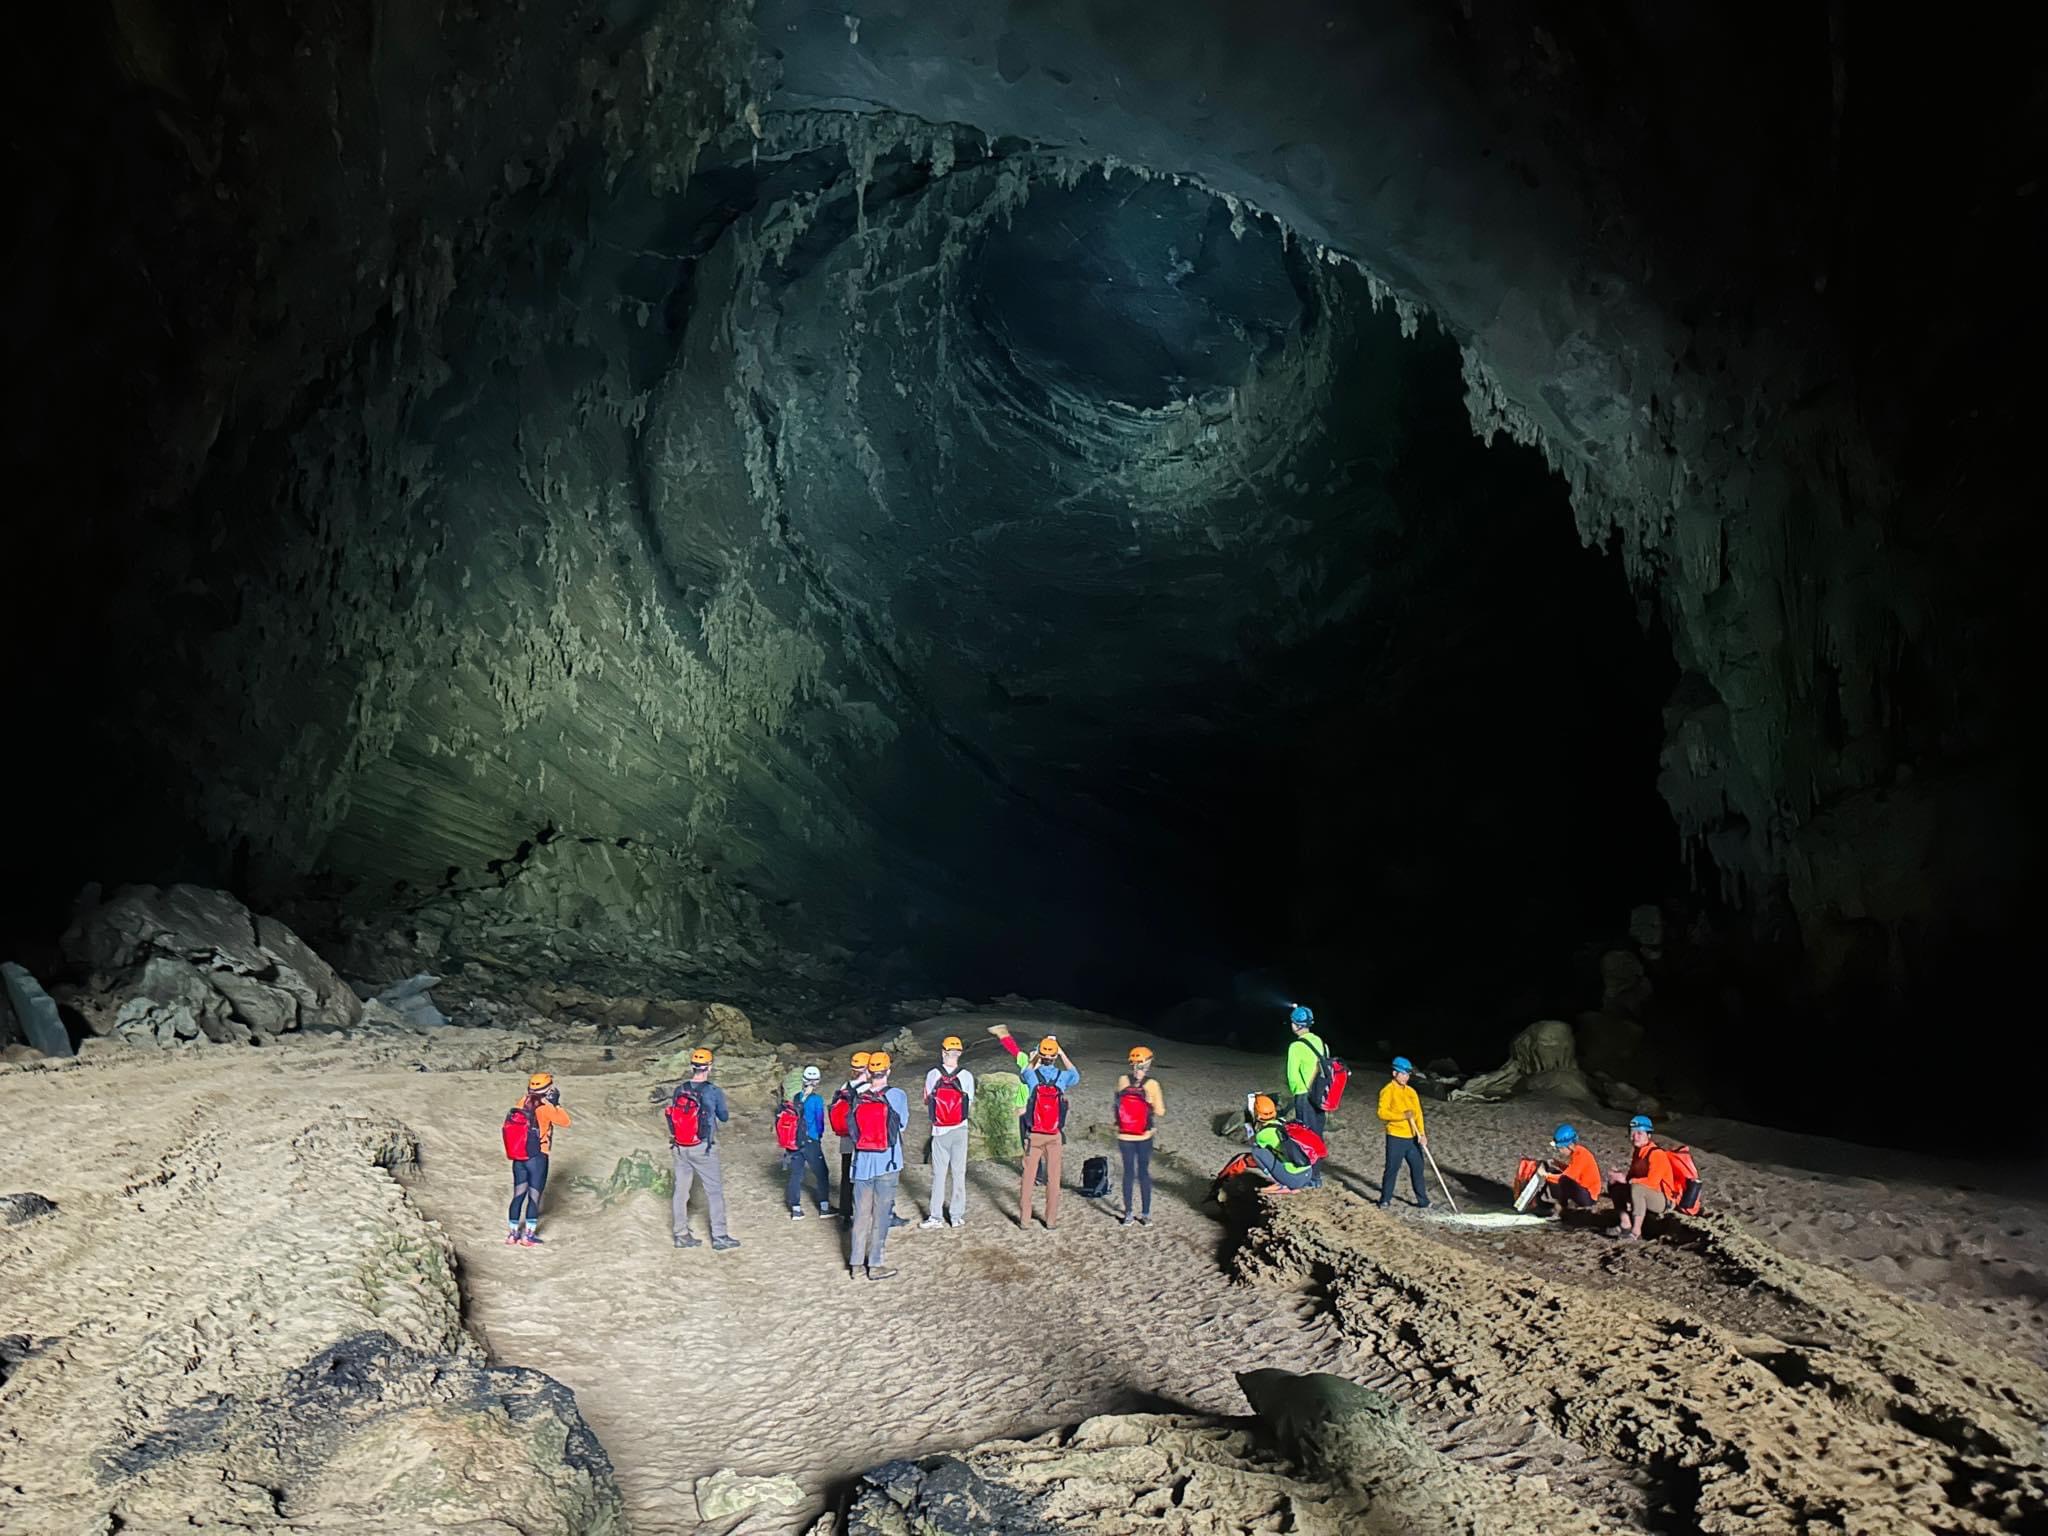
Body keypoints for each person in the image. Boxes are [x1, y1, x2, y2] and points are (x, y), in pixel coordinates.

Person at [988, 1024, 1079, 1229]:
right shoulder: (1061, 1078)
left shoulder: (1029, 1073)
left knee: (1027, 1175)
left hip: (1033, 1128)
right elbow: (1075, 1075)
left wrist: (1033, 1056)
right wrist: (1060, 1052)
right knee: (1054, 1178)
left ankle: (1025, 1219)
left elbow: (1020, 1062)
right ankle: (1051, 1220)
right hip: (1052, 1131)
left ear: (1038, 1054)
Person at [668, 1047, 740, 1252]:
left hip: (680, 1147)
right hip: (702, 1148)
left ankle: (680, 1234)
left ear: (692, 1066)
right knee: (714, 1192)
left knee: (680, 1192)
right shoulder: (712, 1091)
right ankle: (719, 1236)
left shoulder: (679, 1089)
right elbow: (724, 1117)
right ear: (710, 1066)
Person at [847, 1051, 911, 1280]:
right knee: (881, 1215)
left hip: (862, 1164)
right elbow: (901, 1125)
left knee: (861, 1214)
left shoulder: (857, 1096)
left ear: (869, 1072)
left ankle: (855, 1264)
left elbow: (852, 1129)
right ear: (888, 1071)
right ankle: (874, 1264)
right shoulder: (897, 1095)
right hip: (888, 1162)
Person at [506, 1071, 572, 1247]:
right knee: (534, 1196)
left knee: (518, 1195)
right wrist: (555, 1103)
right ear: (548, 1089)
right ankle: (528, 1236)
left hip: (519, 1156)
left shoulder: (521, 1102)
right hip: (537, 1157)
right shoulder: (545, 1108)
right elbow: (566, 1121)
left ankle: (512, 1235)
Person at [922, 1036, 975, 1228]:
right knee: (959, 1173)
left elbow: (927, 1100)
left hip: (939, 1131)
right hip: (960, 1129)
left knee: (939, 1174)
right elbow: (970, 1102)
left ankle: (936, 1217)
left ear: (943, 1052)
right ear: (959, 1053)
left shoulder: (932, 1075)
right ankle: (956, 1216)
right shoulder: (967, 1076)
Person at [1113, 1046, 1166, 1226]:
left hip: (1124, 1135)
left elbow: (1117, 1105)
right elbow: (1160, 1111)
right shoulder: (1152, 1085)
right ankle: (1145, 1214)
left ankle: (1128, 1214)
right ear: (1148, 1063)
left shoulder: (1122, 1080)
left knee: (1128, 1173)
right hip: (1144, 1135)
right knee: (1143, 1173)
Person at [1608, 1114, 1682, 1241]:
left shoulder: (1656, 1154)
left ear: (1648, 1135)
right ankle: (1625, 1224)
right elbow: (1632, 1176)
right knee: (1615, 1184)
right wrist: (1619, 1177)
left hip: (1664, 1200)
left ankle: (1636, 1232)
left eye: (1639, 1133)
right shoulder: (1638, 1152)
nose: (1635, 1137)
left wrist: (1626, 1179)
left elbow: (1652, 1182)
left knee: (1637, 1187)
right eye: (1632, 1133)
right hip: (1648, 1192)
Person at [1376, 1056, 1430, 1209]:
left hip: (1413, 1138)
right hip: (1396, 1137)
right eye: (1403, 1074)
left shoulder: (1411, 1092)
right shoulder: (1387, 1091)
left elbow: (1418, 1114)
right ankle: (1385, 1199)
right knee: (1392, 1169)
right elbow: (1382, 1113)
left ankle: (1423, 1200)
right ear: (1395, 1074)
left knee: (1418, 1168)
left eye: (1407, 1074)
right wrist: (1402, 1116)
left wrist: (1422, 1134)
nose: (1406, 1077)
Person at [785, 1065, 834, 1219]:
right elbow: (819, 1122)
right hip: (811, 1139)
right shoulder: (817, 1100)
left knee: (796, 1174)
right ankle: (824, 1207)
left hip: (796, 1140)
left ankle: (795, 1208)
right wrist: (818, 1136)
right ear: (817, 1081)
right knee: (822, 1173)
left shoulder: (797, 1097)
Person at [1244, 1094, 1321, 1189]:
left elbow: (1252, 1140)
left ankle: (1276, 1181)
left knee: (1257, 1152)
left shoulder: (1262, 1135)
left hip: (1294, 1179)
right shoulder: (1282, 1122)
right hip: (1308, 1172)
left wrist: (1248, 1123)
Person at [1533, 1123, 1600, 1215]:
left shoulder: (1581, 1156)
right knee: (1554, 1173)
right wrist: (1558, 1164)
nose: (1559, 1151)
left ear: (1570, 1146)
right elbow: (1572, 1170)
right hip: (1583, 1190)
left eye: (1560, 1148)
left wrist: (1545, 1175)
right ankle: (1547, 1203)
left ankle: (1561, 1209)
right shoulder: (1578, 1152)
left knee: (1564, 1180)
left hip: (1589, 1197)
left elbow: (1567, 1177)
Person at [1285, 1005, 1332, 1133]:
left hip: (1304, 1094)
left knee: (1305, 1134)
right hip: (1321, 1093)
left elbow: (1292, 1076)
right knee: (1318, 1130)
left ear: (1295, 1025)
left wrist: (1297, 1092)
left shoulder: (1296, 1046)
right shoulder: (1322, 1043)